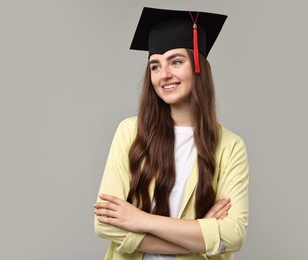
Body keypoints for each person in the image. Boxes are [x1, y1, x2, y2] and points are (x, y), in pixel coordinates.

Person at [93, 7, 249, 260]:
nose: (164, 75)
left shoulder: (230, 146)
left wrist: (141, 220)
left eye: (176, 62)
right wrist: (200, 236)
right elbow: (105, 224)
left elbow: (233, 235)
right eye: (155, 66)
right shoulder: (130, 132)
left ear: (198, 66)